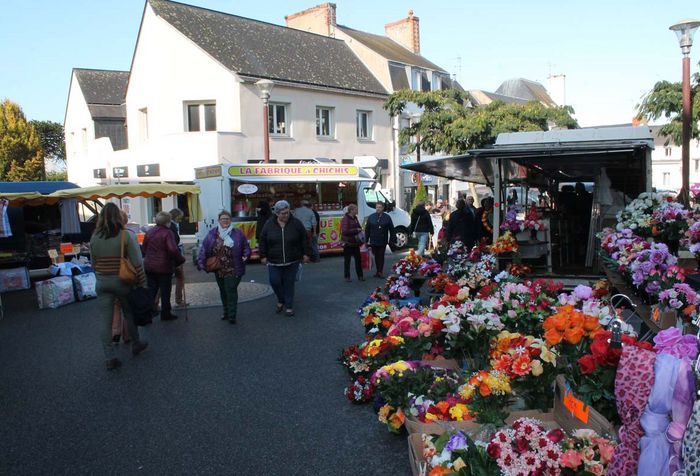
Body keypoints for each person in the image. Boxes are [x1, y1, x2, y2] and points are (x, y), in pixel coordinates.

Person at [90, 202, 148, 370]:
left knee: (105, 321)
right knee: (129, 313)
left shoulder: (95, 236)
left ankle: (110, 357)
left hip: (102, 282)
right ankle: (136, 343)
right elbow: (138, 263)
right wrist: (142, 283)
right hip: (123, 282)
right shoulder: (125, 236)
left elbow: (93, 263)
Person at [197, 210, 251, 324]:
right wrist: (201, 262)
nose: (225, 221)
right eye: (223, 219)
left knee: (230, 290)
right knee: (223, 291)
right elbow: (204, 248)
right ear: (219, 221)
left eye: (227, 219)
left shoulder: (238, 232)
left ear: (230, 220)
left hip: (234, 267)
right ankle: (226, 312)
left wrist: (246, 254)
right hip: (219, 268)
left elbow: (246, 246)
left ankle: (232, 315)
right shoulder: (212, 233)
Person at [258, 200, 310, 317]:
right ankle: (281, 299)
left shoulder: (296, 223)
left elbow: (304, 239)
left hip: (292, 259)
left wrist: (306, 253)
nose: (285, 215)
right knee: (275, 281)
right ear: (277, 213)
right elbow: (262, 240)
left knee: (289, 283)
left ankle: (289, 306)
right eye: (282, 213)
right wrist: (263, 256)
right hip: (274, 260)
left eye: (287, 212)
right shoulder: (268, 224)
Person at [142, 211, 185, 321]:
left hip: (150, 265)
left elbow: (144, 248)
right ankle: (166, 313)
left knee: (152, 290)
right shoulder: (167, 232)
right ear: (167, 222)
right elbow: (172, 249)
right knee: (165, 290)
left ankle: (148, 313)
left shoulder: (149, 232)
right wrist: (180, 260)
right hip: (164, 266)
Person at [364, 201, 395, 278]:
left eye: (380, 207)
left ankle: (380, 271)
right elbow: (367, 229)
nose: (378, 209)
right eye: (377, 207)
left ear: (383, 208)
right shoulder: (371, 217)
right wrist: (366, 240)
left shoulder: (387, 217)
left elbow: (392, 229)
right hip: (373, 240)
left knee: (381, 256)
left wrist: (392, 240)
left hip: (382, 240)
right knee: (376, 256)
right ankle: (378, 271)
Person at [340, 204, 365, 282]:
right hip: (348, 243)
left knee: (358, 260)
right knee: (347, 261)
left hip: (355, 243)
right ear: (351, 210)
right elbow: (344, 231)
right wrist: (356, 230)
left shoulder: (355, 218)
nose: (357, 210)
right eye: (356, 209)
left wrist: (360, 229)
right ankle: (347, 277)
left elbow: (359, 227)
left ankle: (360, 276)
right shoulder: (345, 219)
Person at [169, 208, 186, 308]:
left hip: (171, 257)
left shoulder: (169, 225)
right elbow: (174, 241)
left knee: (165, 280)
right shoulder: (172, 226)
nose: (181, 219)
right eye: (180, 217)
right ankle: (179, 300)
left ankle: (155, 301)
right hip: (174, 257)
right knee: (180, 278)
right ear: (175, 216)